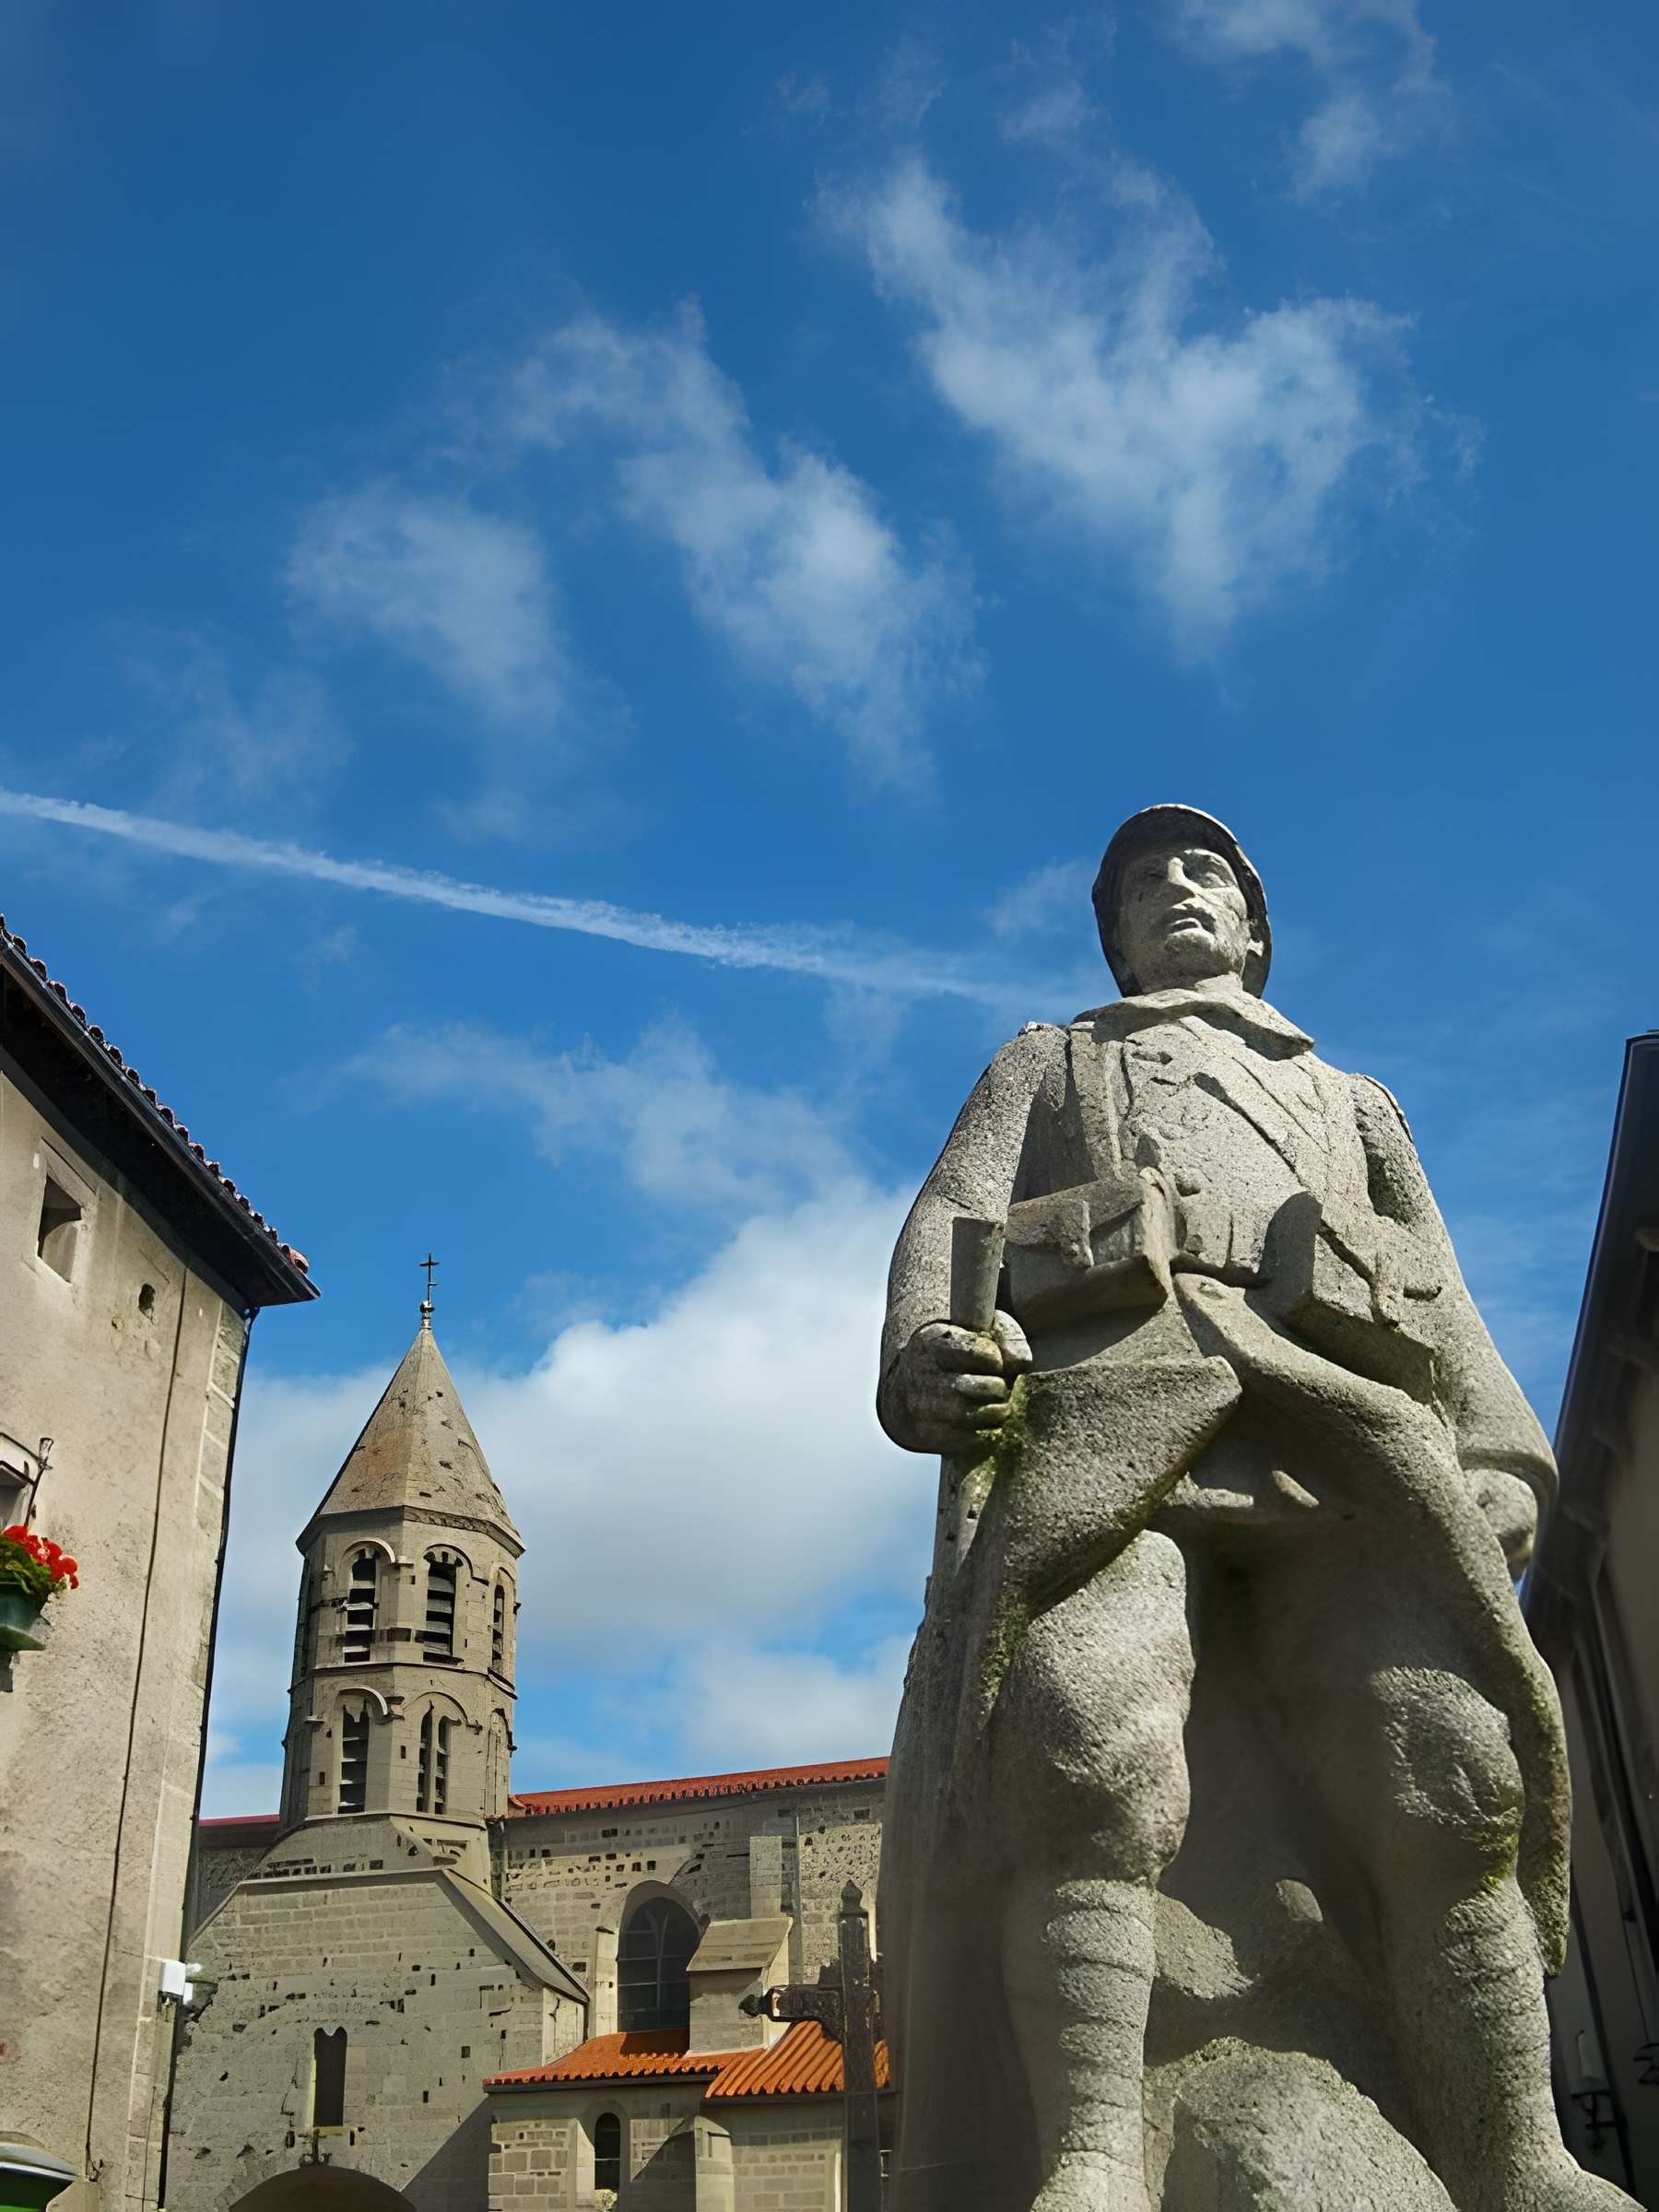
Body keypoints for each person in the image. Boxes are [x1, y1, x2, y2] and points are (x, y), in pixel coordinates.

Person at [877, 806, 1629, 2212]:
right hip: (1121, 1410)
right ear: (1111, 932)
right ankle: (1096, 2153)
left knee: (1454, 1770)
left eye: (1202, 869)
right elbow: (946, 1220)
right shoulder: (1054, 1060)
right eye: (1141, 879)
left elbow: (1444, 1298)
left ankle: (1517, 2156)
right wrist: (926, 1350)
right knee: (1084, 1733)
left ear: (1255, 924)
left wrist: (1505, 1463)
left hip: (1341, 1437)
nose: (1174, 886)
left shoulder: (1354, 1099)